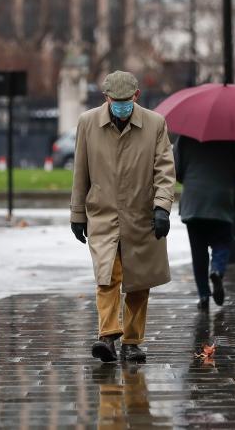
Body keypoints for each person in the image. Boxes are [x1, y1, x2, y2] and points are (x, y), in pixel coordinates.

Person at [70, 71, 176, 363]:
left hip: (142, 216)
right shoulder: (88, 123)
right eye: (115, 100)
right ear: (105, 98)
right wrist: (77, 214)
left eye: (125, 100)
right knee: (107, 276)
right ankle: (107, 337)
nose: (120, 105)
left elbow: (165, 171)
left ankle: (132, 341)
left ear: (136, 96)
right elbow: (81, 172)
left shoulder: (155, 124)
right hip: (103, 215)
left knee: (139, 283)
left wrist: (162, 208)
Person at [174, 135, 235, 310]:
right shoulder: (232, 138)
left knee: (198, 251)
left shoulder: (185, 138)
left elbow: (176, 169)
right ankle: (217, 270)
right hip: (221, 197)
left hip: (194, 200)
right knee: (222, 241)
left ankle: (203, 296)